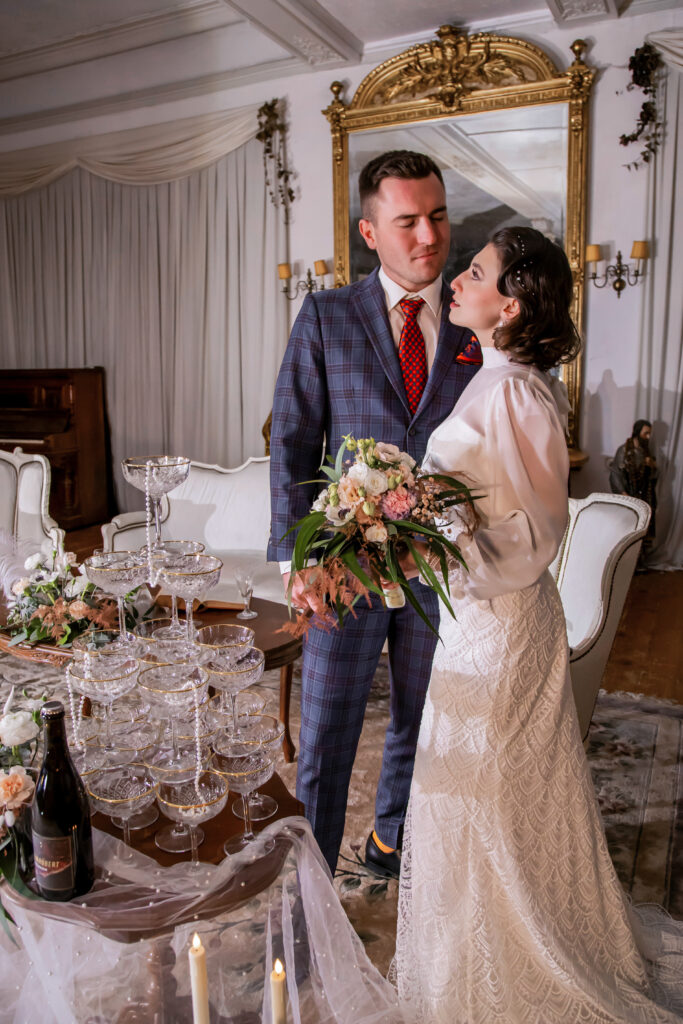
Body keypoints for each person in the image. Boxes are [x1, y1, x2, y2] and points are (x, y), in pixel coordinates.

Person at [393, 227, 683, 1022]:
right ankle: (460, 957)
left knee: (484, 795)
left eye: (475, 273)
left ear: (510, 304)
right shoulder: (494, 378)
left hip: (502, 622)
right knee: (467, 793)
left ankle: (508, 967)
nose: (456, 279)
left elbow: (535, 534)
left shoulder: (516, 391)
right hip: (474, 617)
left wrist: (434, 535)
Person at [267, 150, 482, 877]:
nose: (430, 236)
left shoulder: (474, 324)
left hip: (440, 569)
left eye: (439, 216)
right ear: (369, 232)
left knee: (421, 723)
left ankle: (392, 839)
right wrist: (299, 560)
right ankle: (312, 877)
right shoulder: (327, 316)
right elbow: (293, 438)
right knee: (326, 730)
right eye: (408, 221)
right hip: (344, 568)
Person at [610, 419, 658, 551]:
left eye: (649, 434)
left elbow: (653, 477)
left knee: (643, 527)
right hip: (629, 494)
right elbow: (615, 474)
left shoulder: (645, 452)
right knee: (629, 528)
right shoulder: (624, 450)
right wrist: (623, 493)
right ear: (637, 432)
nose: (648, 437)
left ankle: (641, 559)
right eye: (645, 433)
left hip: (644, 495)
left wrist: (651, 466)